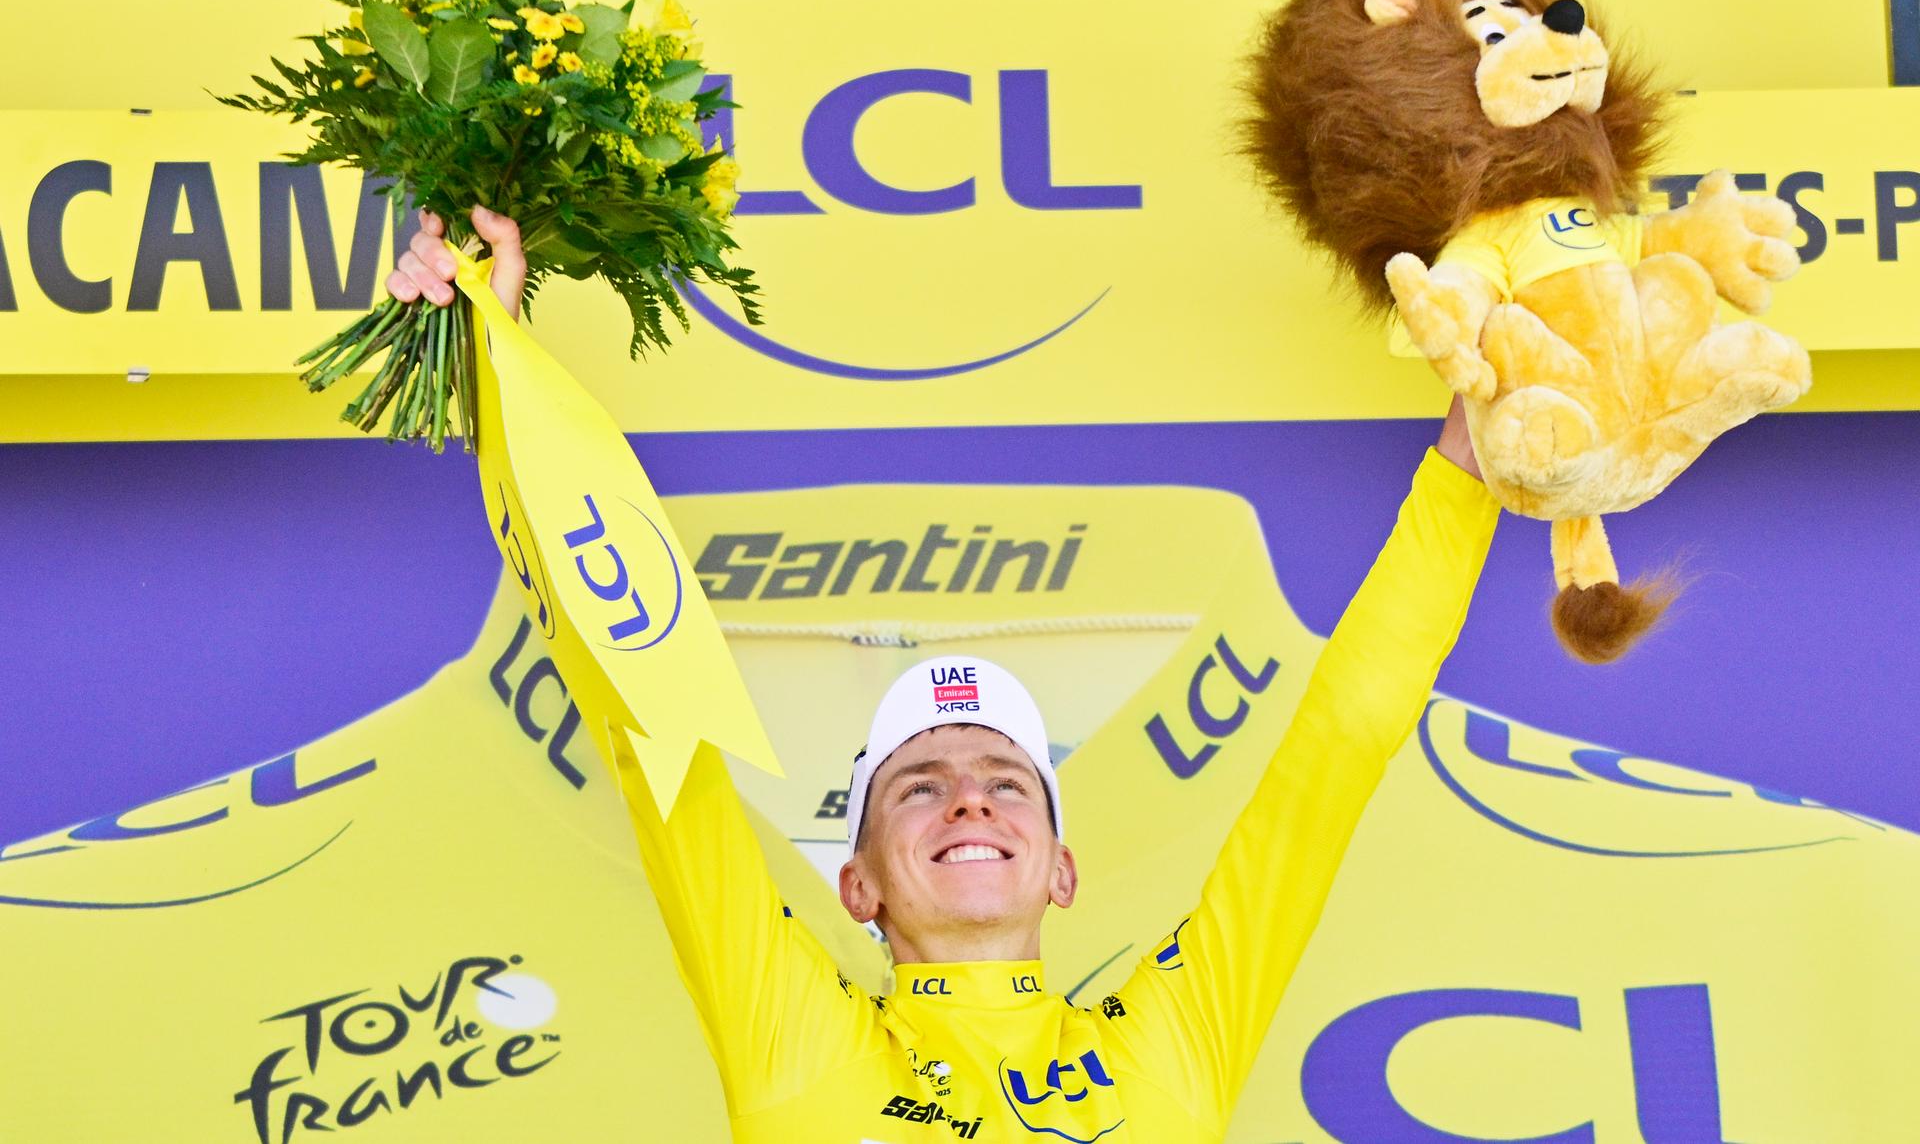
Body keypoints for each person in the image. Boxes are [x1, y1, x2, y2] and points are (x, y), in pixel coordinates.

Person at [392, 208, 1499, 1142]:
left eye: (1008, 780)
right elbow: (645, 722)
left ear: (1063, 869)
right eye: (917, 786)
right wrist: (501, 358)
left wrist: (1473, 462)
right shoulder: (798, 1036)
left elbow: (1335, 756)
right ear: (857, 885)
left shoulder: (1171, 1040)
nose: (969, 794)